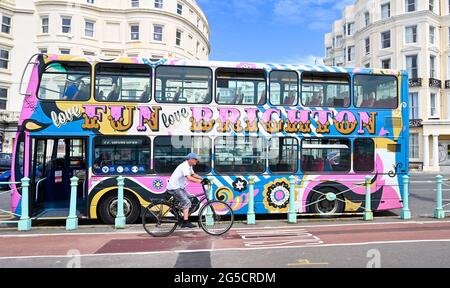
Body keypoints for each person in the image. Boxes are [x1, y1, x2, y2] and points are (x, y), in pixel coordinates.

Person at [167, 153, 204, 228]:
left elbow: (193, 175)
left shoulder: (189, 166)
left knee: (191, 198)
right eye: (196, 159)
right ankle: (185, 222)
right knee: (186, 201)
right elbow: (189, 178)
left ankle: (175, 209)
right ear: (191, 159)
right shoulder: (184, 166)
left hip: (180, 187)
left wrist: (203, 179)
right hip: (174, 187)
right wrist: (201, 182)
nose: (197, 161)